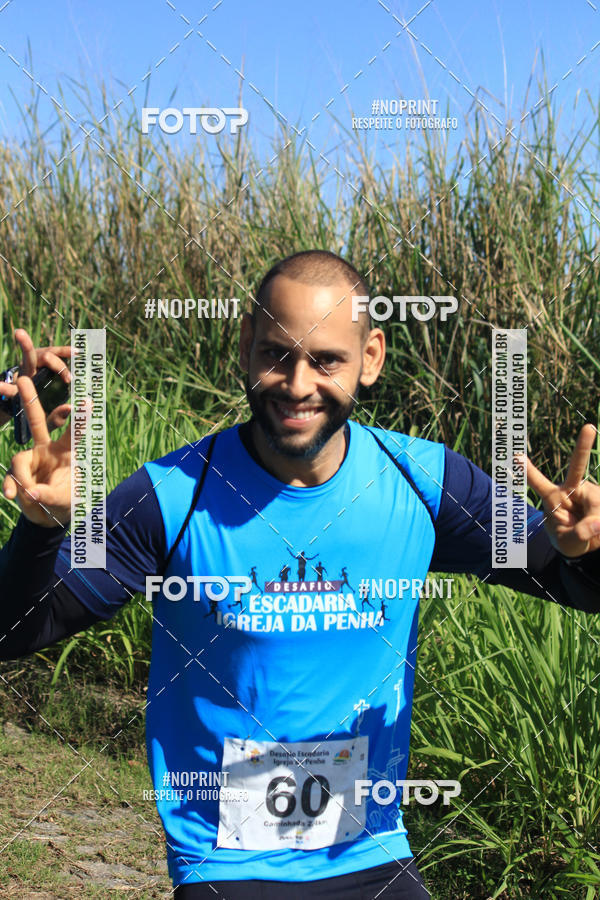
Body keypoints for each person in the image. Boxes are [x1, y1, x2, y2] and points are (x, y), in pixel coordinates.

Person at [1, 250, 600, 900]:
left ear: (370, 358)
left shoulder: (426, 483)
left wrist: (583, 551)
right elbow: (17, 630)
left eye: (327, 361)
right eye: (276, 355)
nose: (296, 383)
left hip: (372, 853)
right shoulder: (171, 497)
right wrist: (40, 528)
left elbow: (573, 586)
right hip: (228, 867)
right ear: (245, 348)